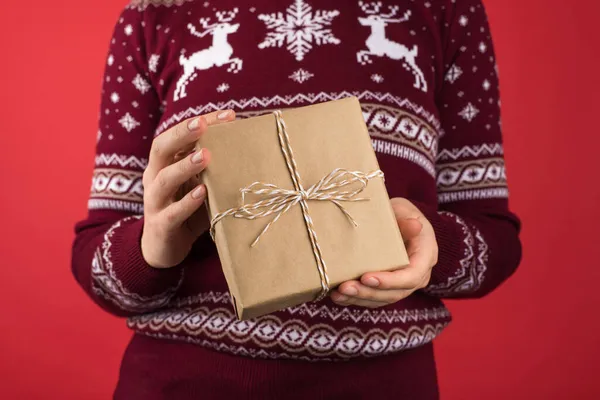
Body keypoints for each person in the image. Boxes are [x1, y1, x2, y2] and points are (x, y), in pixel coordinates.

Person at [72, 0, 522, 398]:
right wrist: (151, 250)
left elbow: (495, 242)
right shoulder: (154, 15)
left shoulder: (444, 11)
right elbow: (95, 266)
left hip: (385, 386)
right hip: (178, 383)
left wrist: (427, 243)